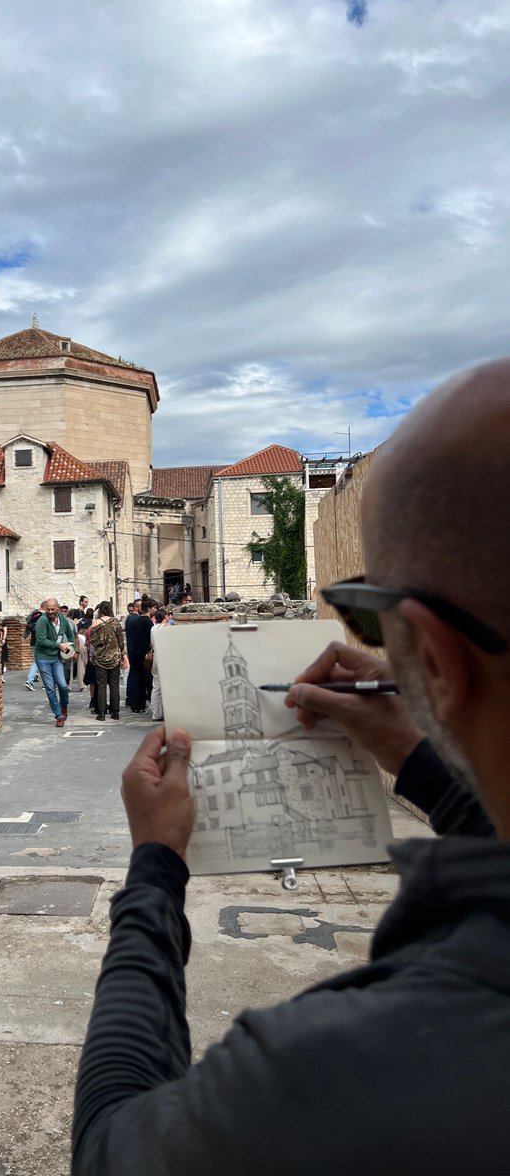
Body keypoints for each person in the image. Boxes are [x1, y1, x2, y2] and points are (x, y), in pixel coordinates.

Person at [72, 359, 510, 1174]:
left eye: (366, 611)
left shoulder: (351, 1069)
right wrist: (424, 765)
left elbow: (111, 1145)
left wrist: (155, 871)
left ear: (440, 664)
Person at [33, 598, 76, 727]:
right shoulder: (42, 621)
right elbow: (41, 641)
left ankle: (64, 706)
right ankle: (59, 716)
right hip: (43, 658)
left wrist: (72, 648)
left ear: (57, 608)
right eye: (48, 609)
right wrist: (59, 646)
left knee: (63, 685)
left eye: (53, 609)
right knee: (50, 687)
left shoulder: (62, 620)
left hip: (56, 657)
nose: (50, 612)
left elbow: (70, 633)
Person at [89, 601, 127, 721]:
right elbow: (121, 641)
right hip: (114, 657)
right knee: (114, 685)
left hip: (100, 658)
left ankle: (101, 713)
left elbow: (93, 642)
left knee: (101, 686)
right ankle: (115, 712)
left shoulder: (96, 623)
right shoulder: (115, 622)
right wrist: (123, 654)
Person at [126, 598, 155, 713]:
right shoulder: (147, 621)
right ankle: (140, 705)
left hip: (136, 653)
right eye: (153, 607)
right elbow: (151, 638)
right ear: (149, 608)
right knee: (143, 680)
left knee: (138, 679)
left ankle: (136, 705)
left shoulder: (137, 620)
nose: (155, 609)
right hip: (144, 654)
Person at [148, 606, 169, 721]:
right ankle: (166, 712)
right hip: (165, 657)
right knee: (167, 686)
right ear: (165, 616)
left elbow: (151, 644)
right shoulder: (167, 628)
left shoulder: (153, 628)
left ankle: (156, 713)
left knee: (156, 686)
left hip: (156, 656)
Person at [23, 603, 45, 690]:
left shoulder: (34, 614)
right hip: (42, 643)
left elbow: (27, 620)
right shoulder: (45, 616)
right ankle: (33, 681)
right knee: (43, 663)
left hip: (33, 642)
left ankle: (30, 681)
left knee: (37, 662)